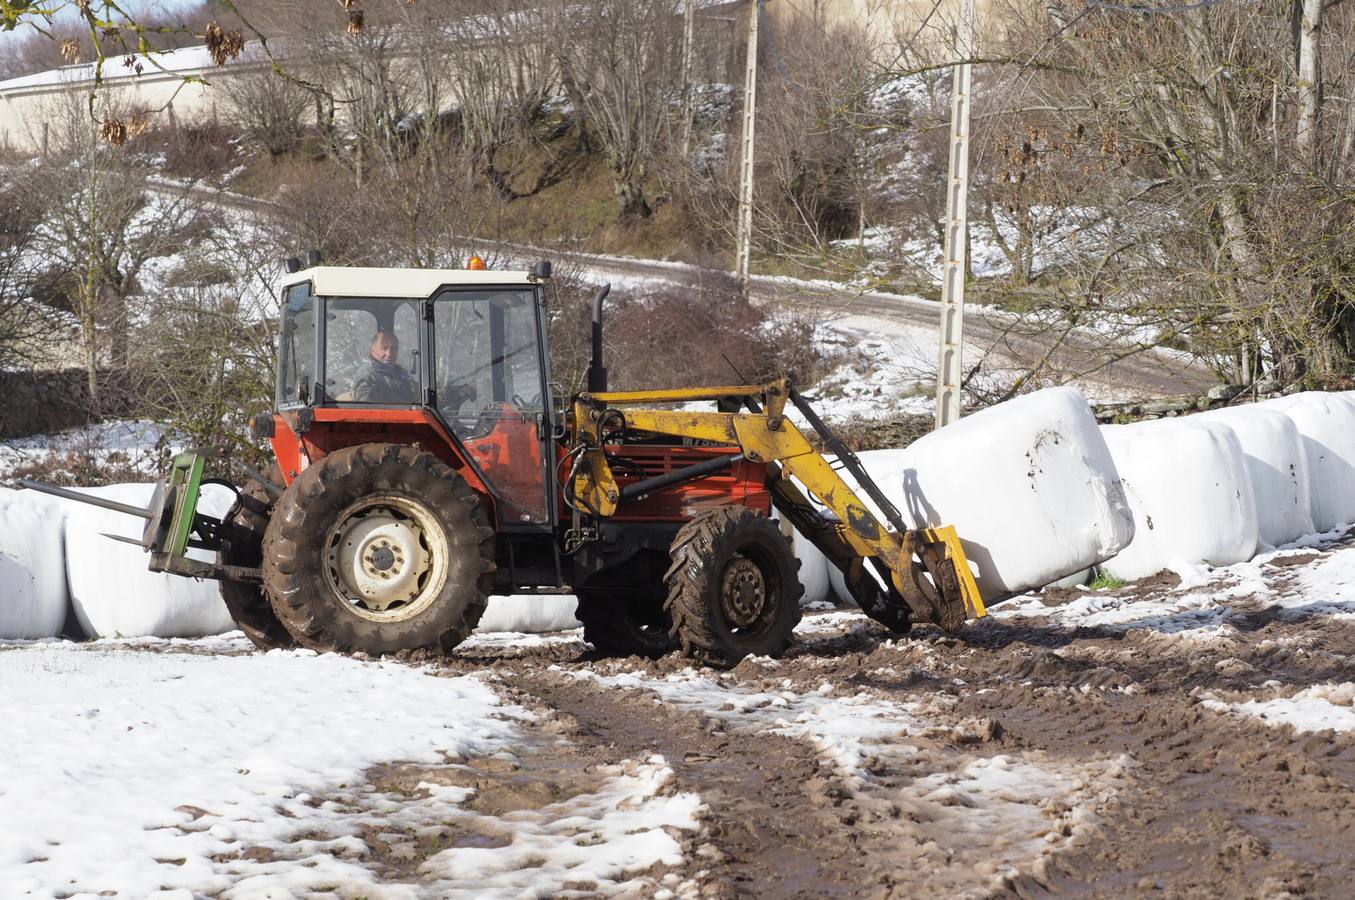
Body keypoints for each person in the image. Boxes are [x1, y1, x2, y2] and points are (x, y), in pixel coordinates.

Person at [350, 330, 416, 403]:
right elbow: (366, 410)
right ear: (372, 350)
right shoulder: (367, 376)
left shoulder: (402, 374)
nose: (389, 354)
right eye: (383, 349)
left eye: (393, 348)